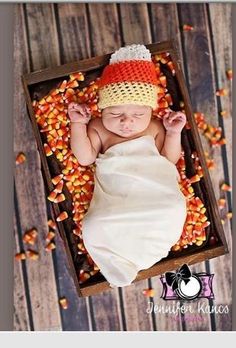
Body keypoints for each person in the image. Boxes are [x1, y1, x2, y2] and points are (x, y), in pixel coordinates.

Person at [68, 44, 187, 288]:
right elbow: (84, 158)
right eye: (115, 113)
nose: (126, 122)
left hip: (154, 191)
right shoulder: (99, 129)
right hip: (117, 198)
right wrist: (78, 125)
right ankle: (120, 257)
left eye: (137, 114)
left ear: (150, 111)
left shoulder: (154, 127)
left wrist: (174, 132)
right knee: (94, 225)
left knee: (173, 206)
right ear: (102, 110)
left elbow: (168, 159)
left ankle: (141, 250)